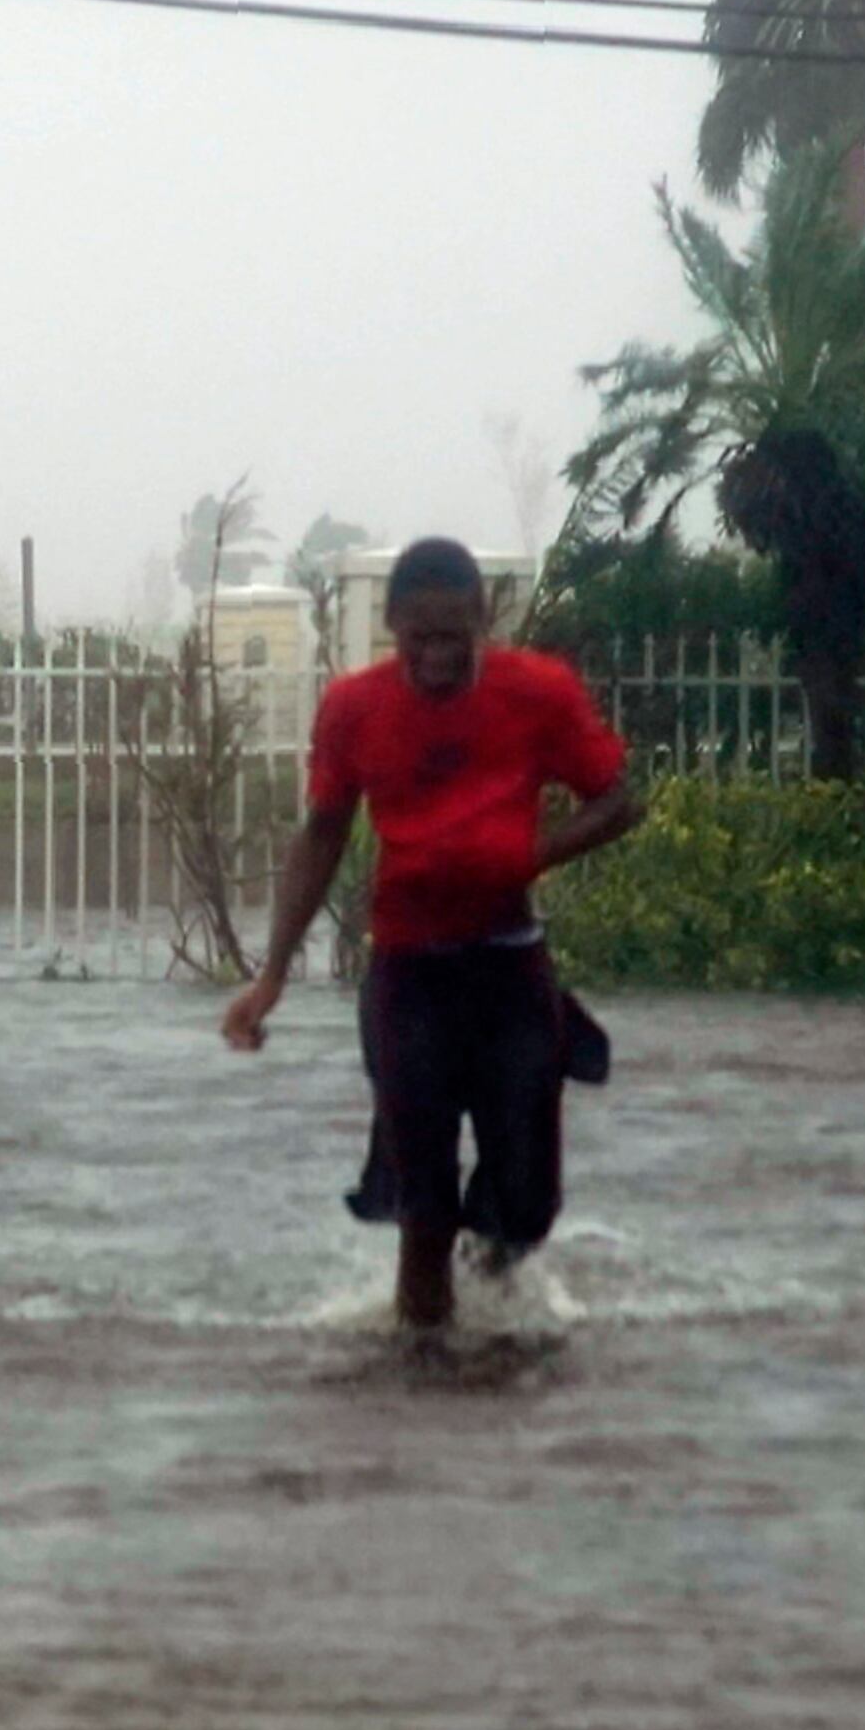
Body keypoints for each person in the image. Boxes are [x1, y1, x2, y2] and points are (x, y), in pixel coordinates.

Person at [221, 538, 639, 1328]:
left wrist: (531, 855)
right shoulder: (354, 707)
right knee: (425, 1204)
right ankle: (421, 1376)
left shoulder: (539, 692)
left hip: (512, 973)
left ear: (484, 620)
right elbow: (322, 835)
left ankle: (488, 1297)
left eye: (456, 636)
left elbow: (617, 800)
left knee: (528, 1201)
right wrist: (271, 976)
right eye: (421, 638)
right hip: (407, 979)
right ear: (392, 628)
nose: (439, 654)